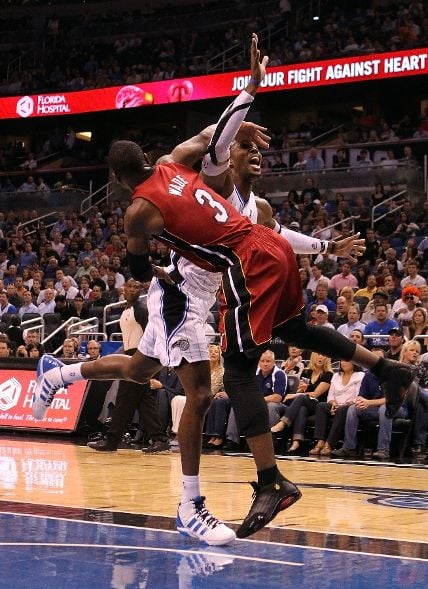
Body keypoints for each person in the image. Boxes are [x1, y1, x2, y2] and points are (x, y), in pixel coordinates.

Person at [33, 34, 414, 543]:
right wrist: (247, 95)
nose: (252, 157)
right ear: (232, 159)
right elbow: (212, 139)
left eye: (251, 152)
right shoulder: (191, 169)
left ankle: (59, 373)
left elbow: (217, 144)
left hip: (235, 270)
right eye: (245, 153)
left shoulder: (244, 199)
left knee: (156, 368)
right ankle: (196, 502)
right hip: (188, 289)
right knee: (200, 390)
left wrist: (248, 97)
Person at [88, 279, 170, 454]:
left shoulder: (141, 309)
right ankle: (160, 439)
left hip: (139, 356)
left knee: (124, 399)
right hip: (129, 354)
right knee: (142, 401)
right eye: (130, 286)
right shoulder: (126, 309)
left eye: (136, 286)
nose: (132, 289)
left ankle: (112, 441)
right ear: (123, 289)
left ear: (141, 290)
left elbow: (154, 335)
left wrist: (148, 361)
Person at [270, 353, 333, 454]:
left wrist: (295, 395)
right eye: (318, 354)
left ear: (327, 358)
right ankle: (296, 441)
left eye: (323, 355)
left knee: (301, 399)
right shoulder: (306, 372)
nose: (320, 357)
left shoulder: (328, 374)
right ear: (313, 356)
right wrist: (300, 390)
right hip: (306, 403)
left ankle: (283, 423)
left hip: (320, 405)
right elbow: (301, 392)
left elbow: (316, 394)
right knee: (301, 408)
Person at [309, 361, 364, 456]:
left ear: (354, 363)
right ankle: (320, 441)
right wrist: (333, 403)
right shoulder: (336, 376)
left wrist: (345, 404)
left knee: (342, 410)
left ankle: (329, 443)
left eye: (347, 361)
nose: (344, 363)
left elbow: (359, 396)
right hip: (335, 405)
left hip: (350, 405)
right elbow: (330, 396)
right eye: (342, 361)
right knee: (321, 406)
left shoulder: (360, 376)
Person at [204, 343, 230, 448]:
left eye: (216, 352)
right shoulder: (203, 371)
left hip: (216, 396)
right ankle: (209, 436)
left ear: (220, 355)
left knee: (216, 401)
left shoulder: (222, 371)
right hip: (204, 396)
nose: (213, 353)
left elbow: (214, 389)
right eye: (210, 351)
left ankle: (217, 435)